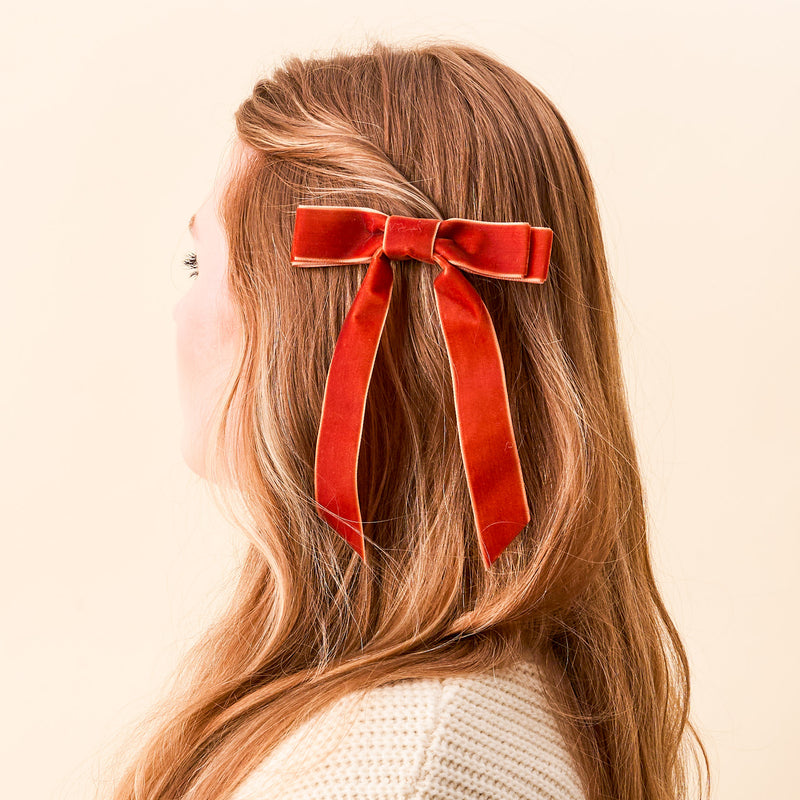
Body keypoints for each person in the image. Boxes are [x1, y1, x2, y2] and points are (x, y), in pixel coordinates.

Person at [102, 38, 711, 800]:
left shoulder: (400, 770)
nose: (180, 310)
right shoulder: (465, 710)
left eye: (200, 265)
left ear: (315, 323)